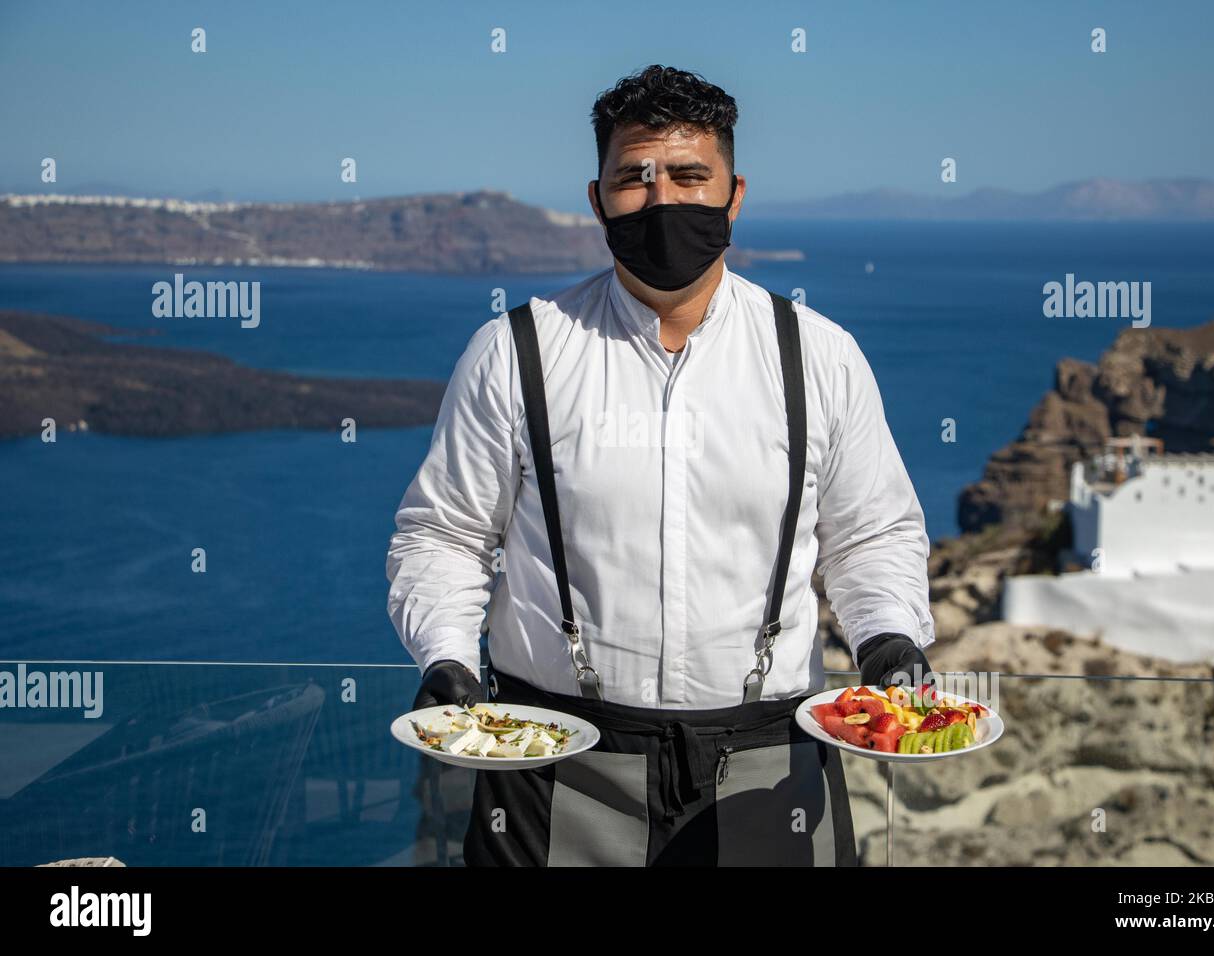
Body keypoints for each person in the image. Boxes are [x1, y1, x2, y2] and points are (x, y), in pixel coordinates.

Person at [386, 64, 934, 867]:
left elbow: (869, 534)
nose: (662, 198)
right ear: (597, 197)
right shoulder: (516, 352)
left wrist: (887, 637)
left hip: (769, 764)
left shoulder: (819, 357)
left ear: (734, 194)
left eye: (688, 175)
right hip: (553, 762)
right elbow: (445, 534)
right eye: (634, 178)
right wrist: (446, 656)